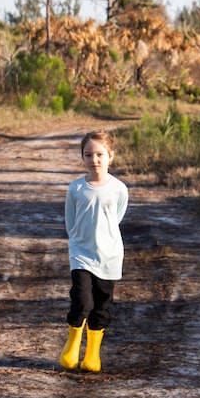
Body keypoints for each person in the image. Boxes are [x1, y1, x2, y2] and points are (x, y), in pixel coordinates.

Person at [58, 129, 129, 373]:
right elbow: (71, 221)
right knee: (81, 301)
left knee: (102, 305)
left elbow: (116, 217)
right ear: (83, 157)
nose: (94, 160)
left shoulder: (119, 188)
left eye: (99, 154)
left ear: (111, 156)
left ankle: (92, 355)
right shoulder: (76, 188)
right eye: (88, 155)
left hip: (109, 256)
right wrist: (78, 242)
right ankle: (72, 345)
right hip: (81, 255)